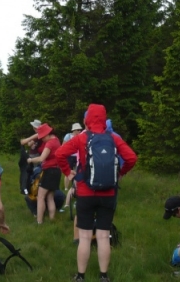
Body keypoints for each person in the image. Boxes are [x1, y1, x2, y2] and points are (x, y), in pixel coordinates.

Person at [56, 104, 137, 282]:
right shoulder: (113, 138)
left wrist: (68, 172)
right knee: (103, 236)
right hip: (108, 195)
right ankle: (103, 276)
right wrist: (120, 173)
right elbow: (131, 158)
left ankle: (80, 276)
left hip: (85, 193)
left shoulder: (81, 138)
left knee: (84, 237)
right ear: (104, 118)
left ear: (86, 120)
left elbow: (59, 154)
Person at [27, 123, 61, 224]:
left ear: (47, 134)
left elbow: (42, 158)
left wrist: (31, 160)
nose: (42, 139)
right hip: (57, 171)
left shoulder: (50, 143)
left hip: (49, 171)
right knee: (50, 197)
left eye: (42, 137)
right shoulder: (56, 140)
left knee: (40, 197)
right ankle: (52, 219)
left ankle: (39, 221)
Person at [62, 123, 83, 191]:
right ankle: (66, 188)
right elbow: (63, 146)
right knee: (68, 171)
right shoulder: (68, 136)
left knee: (77, 171)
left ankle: (75, 187)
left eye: (80, 130)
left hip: (77, 157)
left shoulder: (81, 136)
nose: (79, 131)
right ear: (74, 130)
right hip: (69, 156)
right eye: (78, 130)